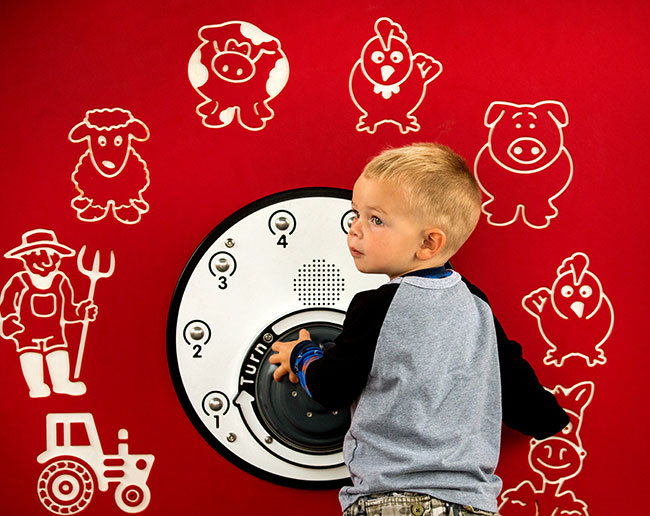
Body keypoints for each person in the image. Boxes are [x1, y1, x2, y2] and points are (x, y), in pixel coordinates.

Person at [269, 143, 569, 516]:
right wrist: (549, 416)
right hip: (472, 506)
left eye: (375, 220)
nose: (355, 230)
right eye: (355, 214)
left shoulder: (376, 306)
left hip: (391, 501)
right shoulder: (478, 307)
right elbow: (526, 400)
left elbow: (330, 387)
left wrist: (302, 355)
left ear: (429, 243)